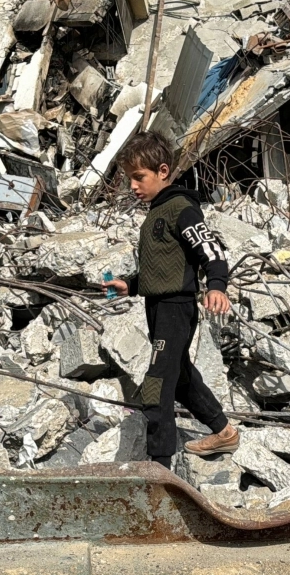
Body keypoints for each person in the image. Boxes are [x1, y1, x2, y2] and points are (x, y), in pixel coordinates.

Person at [102, 133, 239, 468]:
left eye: (139, 177)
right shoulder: (155, 213)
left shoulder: (181, 210)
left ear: (163, 171)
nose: (133, 186)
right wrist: (130, 285)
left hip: (176, 309)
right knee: (179, 377)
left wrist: (217, 286)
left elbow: (212, 252)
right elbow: (162, 268)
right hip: (158, 308)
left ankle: (159, 465)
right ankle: (223, 432)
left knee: (156, 383)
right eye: (129, 179)